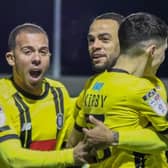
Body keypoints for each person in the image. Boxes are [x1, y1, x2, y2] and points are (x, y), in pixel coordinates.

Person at [68, 12, 168, 168]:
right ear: (152, 50)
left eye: (104, 39)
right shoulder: (146, 89)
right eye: (91, 40)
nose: (95, 46)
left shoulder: (94, 84)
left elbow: (73, 142)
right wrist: (114, 137)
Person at [0, 23, 89, 167]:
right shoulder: (2, 97)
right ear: (11, 58)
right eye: (28, 51)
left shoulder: (59, 92)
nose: (37, 58)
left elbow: (72, 138)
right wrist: (70, 157)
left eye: (43, 51)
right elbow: (12, 158)